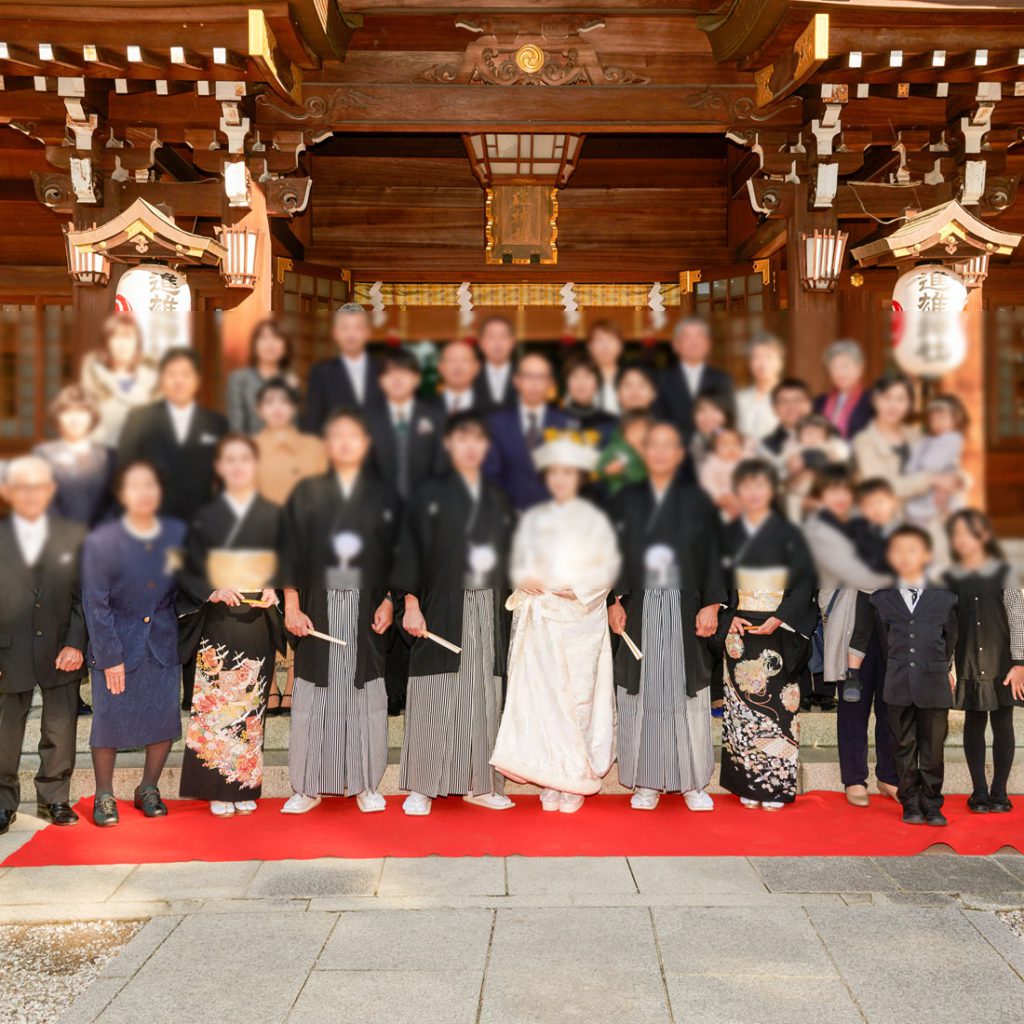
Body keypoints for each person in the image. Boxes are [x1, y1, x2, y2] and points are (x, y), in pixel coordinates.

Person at [490, 432, 620, 812]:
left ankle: (575, 779)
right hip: (541, 619)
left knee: (578, 699)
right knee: (542, 700)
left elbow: (606, 569)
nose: (561, 479)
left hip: (579, 620)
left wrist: (574, 587)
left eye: (569, 472)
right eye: (554, 472)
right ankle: (551, 775)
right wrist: (521, 577)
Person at [278, 409, 399, 815]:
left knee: (364, 698)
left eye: (354, 437)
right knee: (316, 697)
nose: (346, 444)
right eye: (338, 436)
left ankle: (365, 783)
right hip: (319, 608)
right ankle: (308, 785)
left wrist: (388, 600)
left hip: (365, 610)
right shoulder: (306, 492)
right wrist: (292, 604)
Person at [395, 411, 516, 815]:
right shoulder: (427, 493)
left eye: (477, 440)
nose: (469, 447)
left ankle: (481, 784)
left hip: (488, 604)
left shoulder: (499, 496)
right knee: (435, 692)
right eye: (461, 439)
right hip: (441, 605)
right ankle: (423, 785)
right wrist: (410, 602)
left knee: (484, 693)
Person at [609, 423, 726, 811]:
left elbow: (713, 555)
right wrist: (614, 599)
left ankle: (693, 781)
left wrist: (711, 603)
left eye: (668, 446)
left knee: (685, 691)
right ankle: (646, 781)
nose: (660, 453)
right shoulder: (628, 498)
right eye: (652, 446)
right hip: (641, 607)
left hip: (685, 605)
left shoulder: (698, 500)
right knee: (643, 692)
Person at [177, 436, 285, 817]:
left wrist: (275, 588)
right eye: (231, 460)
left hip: (256, 619)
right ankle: (216, 787)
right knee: (217, 708)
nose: (238, 467)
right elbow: (186, 566)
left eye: (245, 460)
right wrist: (211, 588)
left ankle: (245, 784)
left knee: (251, 708)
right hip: (219, 623)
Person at [82, 461, 186, 827]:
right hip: (117, 645)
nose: (144, 493)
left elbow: (189, 584)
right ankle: (105, 794)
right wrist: (110, 656)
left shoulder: (175, 534)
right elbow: (95, 602)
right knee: (109, 721)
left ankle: (148, 788)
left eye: (150, 485)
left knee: (163, 720)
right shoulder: (102, 540)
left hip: (161, 641)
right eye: (135, 486)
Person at [718, 459, 817, 810]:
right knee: (742, 711)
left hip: (779, 632)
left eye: (761, 485)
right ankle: (747, 781)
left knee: (781, 707)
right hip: (740, 629)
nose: (754, 492)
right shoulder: (727, 532)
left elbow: (806, 582)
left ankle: (776, 784)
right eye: (747, 486)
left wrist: (781, 617)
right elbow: (715, 582)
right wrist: (726, 615)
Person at [0, 457, 86, 835]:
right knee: (4, 733)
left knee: (60, 728)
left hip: (60, 648)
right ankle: (3, 803)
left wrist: (75, 643)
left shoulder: (72, 536)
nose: (32, 494)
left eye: (39, 486)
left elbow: (85, 597)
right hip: (8, 650)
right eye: (23, 487)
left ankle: (55, 798)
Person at [802, 467, 894, 805]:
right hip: (849, 625)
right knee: (854, 704)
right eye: (832, 491)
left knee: (890, 704)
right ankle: (854, 778)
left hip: (889, 626)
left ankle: (889, 775)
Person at [864, 525, 958, 826]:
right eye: (898, 551)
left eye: (912, 550)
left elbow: (951, 638)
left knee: (932, 749)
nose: (905, 557)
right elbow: (882, 640)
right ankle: (910, 801)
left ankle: (932, 802)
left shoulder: (946, 599)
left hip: (933, 684)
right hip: (898, 682)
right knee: (903, 747)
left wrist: (941, 667)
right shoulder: (880, 599)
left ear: (927, 555)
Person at [943, 509, 1024, 814]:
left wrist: (1020, 663)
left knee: (1003, 722)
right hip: (967, 660)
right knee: (974, 723)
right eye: (958, 534)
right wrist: (947, 666)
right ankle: (978, 792)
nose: (964, 539)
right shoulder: (950, 576)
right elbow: (948, 623)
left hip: (1003, 660)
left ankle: (1000, 793)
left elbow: (1018, 617)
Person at [117, 347, 228, 522]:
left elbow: (225, 476)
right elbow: (123, 469)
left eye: (185, 374)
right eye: (171, 374)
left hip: (203, 520)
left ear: (198, 380)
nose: (178, 381)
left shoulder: (217, 423)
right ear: (161, 380)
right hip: (152, 518)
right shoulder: (139, 419)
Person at [483, 352, 573, 511]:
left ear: (550, 383)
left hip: (555, 511)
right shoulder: (496, 423)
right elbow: (491, 474)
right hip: (510, 512)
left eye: (541, 378)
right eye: (528, 376)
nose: (534, 384)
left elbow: (572, 475)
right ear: (516, 381)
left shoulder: (565, 423)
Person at [365, 349, 447, 499]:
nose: (397, 379)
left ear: (417, 379)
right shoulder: (366, 419)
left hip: (424, 503)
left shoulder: (436, 417)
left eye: (404, 372)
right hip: (378, 503)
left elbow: (441, 464)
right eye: (389, 373)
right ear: (380, 381)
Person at [34, 385, 114, 529]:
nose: (75, 419)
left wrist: (101, 535)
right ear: (57, 417)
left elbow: (116, 501)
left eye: (82, 411)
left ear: (92, 416)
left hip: (103, 539)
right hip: (58, 536)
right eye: (67, 412)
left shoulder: (109, 455)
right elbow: (43, 501)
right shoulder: (44, 454)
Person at [80, 313, 158, 448]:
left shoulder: (153, 380)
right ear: (106, 343)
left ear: (137, 343)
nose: (122, 344)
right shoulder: (93, 378)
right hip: (102, 452)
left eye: (127, 337)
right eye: (115, 337)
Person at [303, 303, 383, 434]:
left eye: (357, 328)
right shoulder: (321, 373)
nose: (351, 334)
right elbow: (312, 422)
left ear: (368, 332)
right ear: (335, 333)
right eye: (345, 328)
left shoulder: (383, 370)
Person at [252, 379, 328, 507]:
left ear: (294, 408)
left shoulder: (315, 446)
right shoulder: (249, 446)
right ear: (259, 410)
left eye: (284, 401)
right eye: (269, 402)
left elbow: (325, 492)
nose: (277, 408)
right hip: (263, 522)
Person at [654, 317, 734, 437]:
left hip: (713, 447)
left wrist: (714, 442)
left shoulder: (722, 379)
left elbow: (729, 420)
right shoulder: (661, 379)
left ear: (708, 344)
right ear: (676, 345)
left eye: (699, 337)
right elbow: (658, 419)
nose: (694, 342)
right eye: (687, 337)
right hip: (675, 449)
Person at [903, 394, 967, 530]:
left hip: (937, 491)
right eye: (933, 418)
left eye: (943, 418)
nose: (938, 423)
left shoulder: (951, 439)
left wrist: (918, 474)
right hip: (924, 487)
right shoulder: (928, 439)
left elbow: (932, 465)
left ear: (957, 418)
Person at [225, 319, 298, 434]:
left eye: (276, 338)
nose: (270, 344)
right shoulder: (239, 379)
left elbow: (295, 427)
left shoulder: (291, 382)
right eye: (263, 338)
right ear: (254, 345)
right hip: (249, 448)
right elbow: (236, 426)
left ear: (286, 347)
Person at [779, 414, 850, 522]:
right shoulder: (792, 447)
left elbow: (840, 460)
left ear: (825, 436)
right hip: (799, 487)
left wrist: (834, 458)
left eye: (818, 435)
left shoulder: (831, 446)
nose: (813, 438)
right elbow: (785, 469)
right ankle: (794, 525)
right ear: (799, 435)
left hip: (824, 484)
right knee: (793, 500)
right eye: (808, 434)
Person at [813, 340, 873, 440]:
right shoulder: (819, 402)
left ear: (860, 368)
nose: (840, 372)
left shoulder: (871, 402)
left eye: (845, 366)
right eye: (834, 367)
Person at [735, 333, 784, 441]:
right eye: (756, 357)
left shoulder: (788, 397)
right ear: (749, 363)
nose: (762, 363)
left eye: (768, 357)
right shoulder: (739, 398)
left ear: (780, 363)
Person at [698, 427, 752, 522]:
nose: (731, 448)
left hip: (748, 495)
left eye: (736, 444)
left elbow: (757, 474)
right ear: (714, 448)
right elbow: (708, 483)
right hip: (724, 497)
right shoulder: (712, 464)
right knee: (724, 518)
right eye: (724, 445)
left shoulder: (746, 459)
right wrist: (719, 497)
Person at [595, 410, 651, 499]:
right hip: (619, 495)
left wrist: (642, 453)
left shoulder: (652, 449)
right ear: (624, 434)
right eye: (632, 431)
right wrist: (607, 470)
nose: (638, 434)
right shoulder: (616, 448)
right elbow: (600, 466)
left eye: (642, 429)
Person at [561, 355, 617, 441]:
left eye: (587, 376)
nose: (581, 383)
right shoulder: (555, 419)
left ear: (597, 383)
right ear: (566, 383)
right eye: (575, 376)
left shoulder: (611, 422)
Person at [758, 378, 813, 465]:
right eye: (784, 401)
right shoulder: (767, 446)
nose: (792, 407)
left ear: (810, 404)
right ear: (774, 409)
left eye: (798, 400)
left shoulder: (830, 435)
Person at [472, 315, 517, 412]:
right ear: (481, 343)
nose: (498, 343)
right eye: (491, 337)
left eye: (503, 337)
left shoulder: (524, 374)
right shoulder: (470, 375)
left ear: (513, 342)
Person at [585, 319, 624, 414]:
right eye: (599, 340)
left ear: (620, 346)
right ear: (590, 347)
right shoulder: (580, 378)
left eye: (610, 339)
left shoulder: (629, 377)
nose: (605, 346)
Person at [435, 339, 481, 415]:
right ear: (440, 367)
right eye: (452, 360)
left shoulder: (491, 409)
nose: (458, 367)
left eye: (464, 360)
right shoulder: (424, 407)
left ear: (476, 367)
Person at [687, 393, 732, 470]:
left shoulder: (741, 442)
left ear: (725, 414)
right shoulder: (688, 444)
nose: (708, 416)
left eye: (715, 410)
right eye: (701, 410)